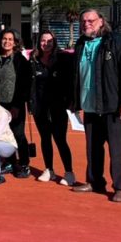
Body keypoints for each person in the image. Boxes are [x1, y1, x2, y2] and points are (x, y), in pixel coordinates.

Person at [72, 8, 121, 202]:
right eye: (83, 21)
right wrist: (75, 102)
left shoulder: (115, 41)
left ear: (101, 21)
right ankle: (95, 182)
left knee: (118, 150)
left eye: (91, 20)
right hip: (90, 107)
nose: (86, 24)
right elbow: (77, 75)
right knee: (93, 148)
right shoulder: (81, 44)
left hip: (113, 107)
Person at [30, 31, 75, 186]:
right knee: (45, 139)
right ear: (39, 42)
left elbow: (71, 81)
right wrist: (31, 103)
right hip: (40, 108)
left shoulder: (63, 58)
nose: (46, 44)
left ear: (54, 42)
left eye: (49, 41)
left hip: (58, 107)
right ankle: (49, 170)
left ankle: (69, 172)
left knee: (60, 139)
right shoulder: (34, 59)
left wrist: (71, 100)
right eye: (43, 41)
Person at [0, 29, 32, 178]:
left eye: (10, 39)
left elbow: (24, 85)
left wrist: (17, 105)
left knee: (18, 134)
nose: (7, 42)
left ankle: (24, 164)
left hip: (15, 104)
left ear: (15, 43)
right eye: (4, 39)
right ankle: (11, 162)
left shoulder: (20, 60)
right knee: (3, 135)